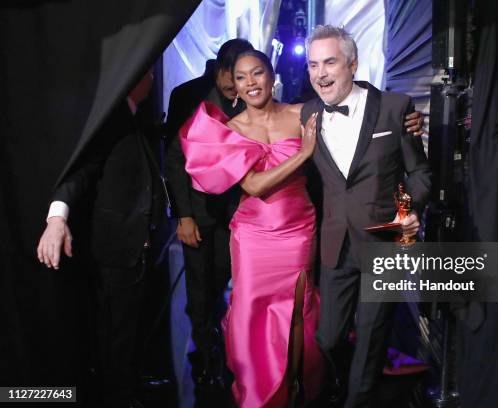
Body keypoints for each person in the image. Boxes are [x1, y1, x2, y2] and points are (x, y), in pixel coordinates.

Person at [180, 49, 325, 407]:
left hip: (298, 229)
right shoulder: (231, 131)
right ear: (235, 86)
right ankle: (259, 393)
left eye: (257, 73)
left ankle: (295, 389)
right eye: (242, 77)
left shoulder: (302, 114)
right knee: (253, 312)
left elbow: (354, 110)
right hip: (254, 235)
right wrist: (302, 154)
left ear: (271, 75)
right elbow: (254, 186)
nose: (250, 83)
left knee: (297, 313)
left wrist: (408, 120)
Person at [300, 25, 431, 407]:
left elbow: (420, 174)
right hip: (336, 244)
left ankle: (360, 396)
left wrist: (405, 211)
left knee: (372, 342)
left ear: (352, 63)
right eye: (312, 65)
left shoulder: (395, 108)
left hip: (382, 242)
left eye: (329, 62)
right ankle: (350, 383)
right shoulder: (307, 112)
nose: (320, 74)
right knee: (328, 338)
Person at [36, 71, 163, 408]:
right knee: (114, 335)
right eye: (147, 72)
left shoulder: (133, 117)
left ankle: (127, 389)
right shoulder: (110, 119)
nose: (152, 78)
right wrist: (57, 217)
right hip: (114, 248)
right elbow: (79, 172)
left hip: (134, 247)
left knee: (127, 330)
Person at [165, 38, 254, 388]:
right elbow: (175, 162)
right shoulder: (196, 103)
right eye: (237, 75)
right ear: (220, 73)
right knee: (199, 289)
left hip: (237, 217)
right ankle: (204, 357)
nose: (243, 83)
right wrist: (183, 216)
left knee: (222, 283)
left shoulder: (249, 102)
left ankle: (222, 344)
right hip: (198, 216)